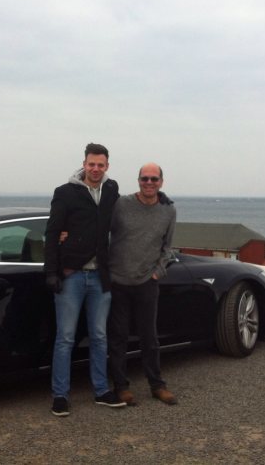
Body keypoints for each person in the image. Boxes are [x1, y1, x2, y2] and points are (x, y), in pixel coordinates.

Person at [44, 143, 127, 416]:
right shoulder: (65, 192)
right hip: (72, 276)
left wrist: (158, 198)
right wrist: (51, 273)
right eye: (92, 164)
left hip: (101, 277)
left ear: (107, 166)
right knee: (65, 338)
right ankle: (60, 395)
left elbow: (124, 218)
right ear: (84, 163)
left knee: (100, 337)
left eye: (101, 165)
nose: (96, 169)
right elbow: (53, 232)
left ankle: (101, 390)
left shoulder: (112, 190)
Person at [107, 162, 178, 406]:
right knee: (118, 337)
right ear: (138, 180)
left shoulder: (168, 210)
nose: (149, 183)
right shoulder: (121, 205)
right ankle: (121, 387)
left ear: (161, 182)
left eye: (154, 179)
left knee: (149, 337)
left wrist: (157, 273)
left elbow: (167, 247)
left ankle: (157, 385)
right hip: (117, 281)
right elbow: (101, 230)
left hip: (147, 282)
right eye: (144, 179)